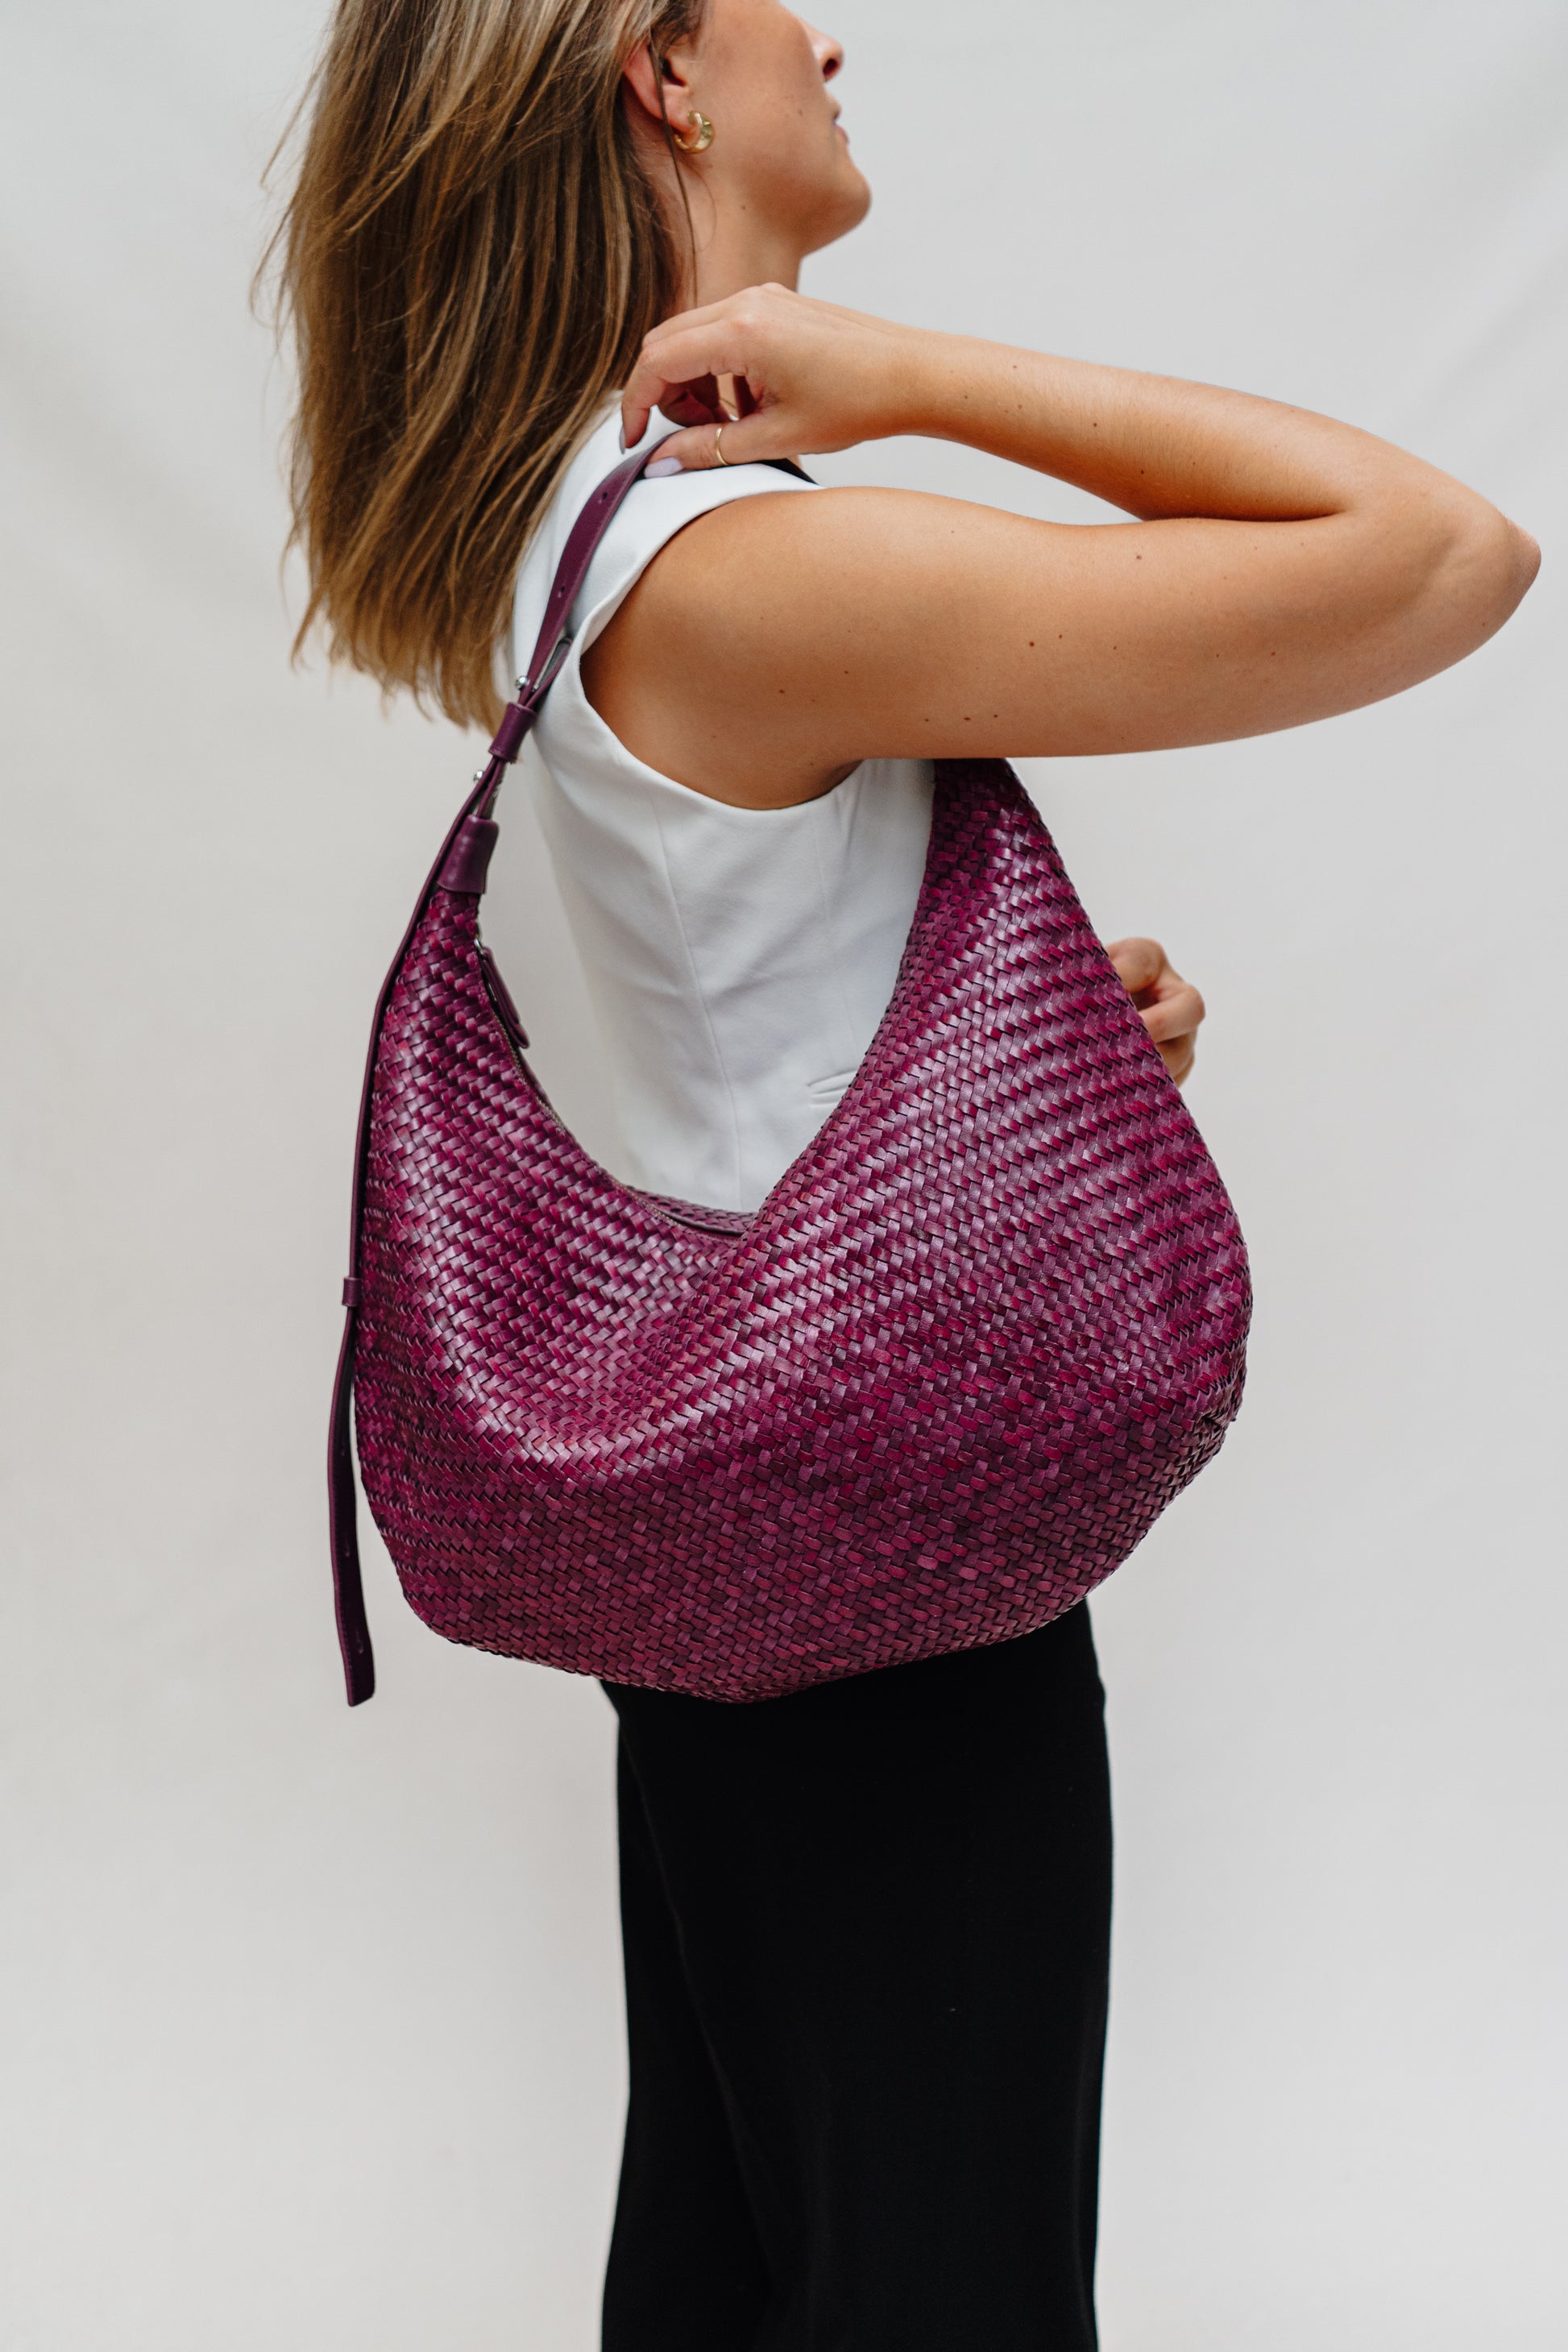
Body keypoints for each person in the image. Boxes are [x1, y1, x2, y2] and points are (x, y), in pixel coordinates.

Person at [269, 4, 1537, 2344]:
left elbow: (714, 1017)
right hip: (885, 1579)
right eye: (770, 4)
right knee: (942, 2284)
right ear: (659, 76)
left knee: (739, 2260)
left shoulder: (575, 533)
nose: (830, 37)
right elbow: (1441, 554)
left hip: (725, 1549)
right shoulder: (733, 570)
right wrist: (906, 377)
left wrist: (1011, 1063)